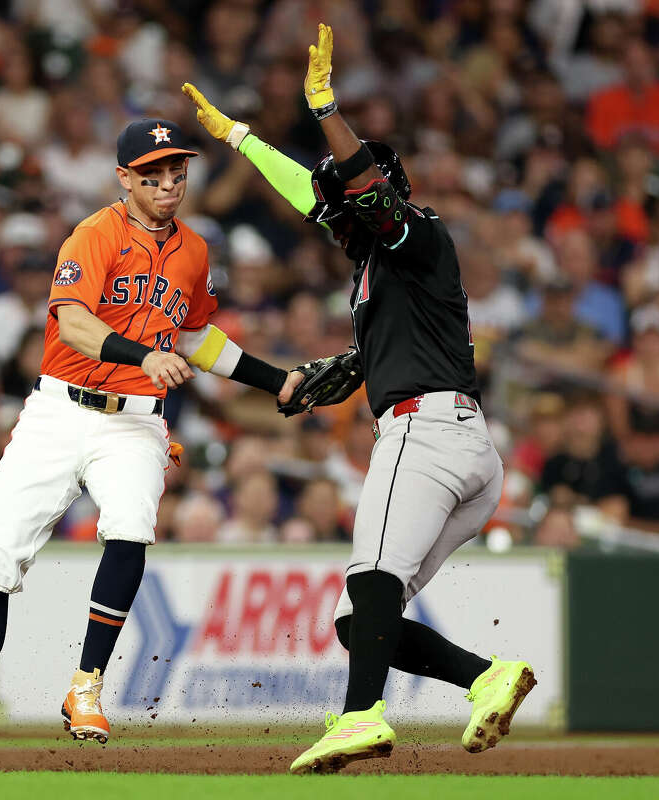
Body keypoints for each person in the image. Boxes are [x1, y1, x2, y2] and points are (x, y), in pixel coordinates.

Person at [185, 23, 534, 775]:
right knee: (362, 621)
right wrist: (242, 139)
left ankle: (359, 716)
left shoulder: (419, 235)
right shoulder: (377, 264)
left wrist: (323, 109)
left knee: (369, 580)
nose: (334, 206)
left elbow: (368, 196)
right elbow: (319, 198)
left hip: (425, 434)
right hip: (461, 445)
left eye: (346, 192)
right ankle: (487, 678)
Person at [0, 118, 294, 772]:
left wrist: (275, 379)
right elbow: (75, 323)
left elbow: (197, 336)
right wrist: (145, 355)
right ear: (125, 179)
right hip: (60, 408)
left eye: (176, 172)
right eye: (153, 174)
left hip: (135, 419)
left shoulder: (195, 251)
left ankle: (85, 685)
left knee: (130, 526)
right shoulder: (94, 234)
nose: (168, 184)